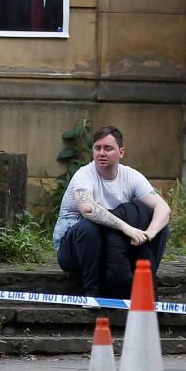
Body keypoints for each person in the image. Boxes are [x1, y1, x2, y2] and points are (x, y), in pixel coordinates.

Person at [52, 125, 171, 298]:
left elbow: (163, 208)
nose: (101, 153)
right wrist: (126, 228)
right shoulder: (84, 174)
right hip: (72, 251)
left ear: (121, 152)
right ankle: (91, 293)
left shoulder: (131, 176)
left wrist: (149, 233)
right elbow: (88, 209)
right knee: (89, 227)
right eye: (97, 148)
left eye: (108, 148)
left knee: (160, 226)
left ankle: (144, 283)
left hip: (109, 247)